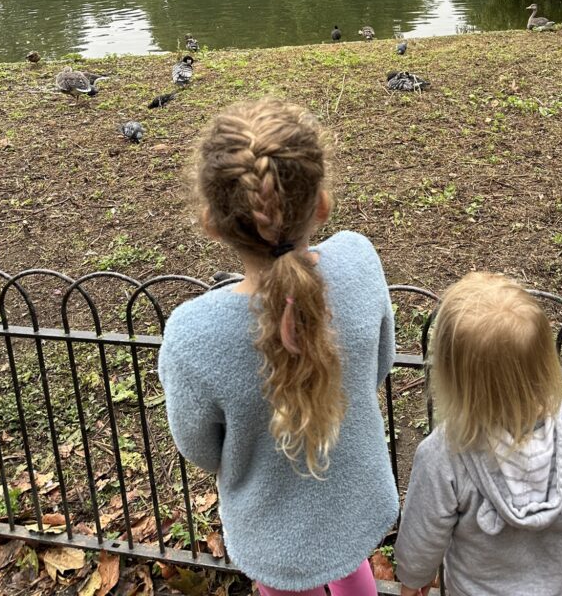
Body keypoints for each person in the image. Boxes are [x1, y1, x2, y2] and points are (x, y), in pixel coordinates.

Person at [158, 98, 398, 594]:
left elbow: (200, 448)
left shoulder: (192, 334)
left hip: (273, 532)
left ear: (210, 222)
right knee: (356, 573)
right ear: (322, 204)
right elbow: (380, 364)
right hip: (356, 498)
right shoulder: (359, 259)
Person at [394, 274, 562, 596]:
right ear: (544, 363)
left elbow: (421, 540)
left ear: (450, 375)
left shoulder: (446, 452)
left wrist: (413, 580)